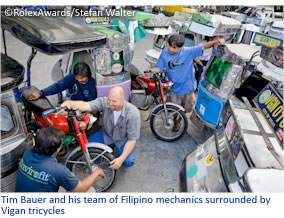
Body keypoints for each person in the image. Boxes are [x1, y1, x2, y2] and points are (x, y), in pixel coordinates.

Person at [147, 34, 224, 131]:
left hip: (188, 87)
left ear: (180, 47)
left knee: (187, 108)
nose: (171, 49)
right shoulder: (164, 53)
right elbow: (159, 67)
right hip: (175, 87)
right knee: (175, 108)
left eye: (174, 47)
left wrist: (216, 42)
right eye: (170, 46)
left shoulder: (188, 52)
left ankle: (179, 119)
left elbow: (204, 46)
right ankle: (176, 120)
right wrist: (151, 70)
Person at [61, 86, 140, 169]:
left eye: (114, 101)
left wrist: (121, 159)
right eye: (109, 99)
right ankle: (109, 146)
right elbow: (86, 105)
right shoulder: (104, 102)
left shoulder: (133, 113)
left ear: (122, 100)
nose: (110, 103)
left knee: (127, 162)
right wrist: (69, 103)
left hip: (123, 140)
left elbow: (132, 140)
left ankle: (116, 150)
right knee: (85, 150)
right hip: (106, 135)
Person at [16, 127, 105, 192]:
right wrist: (97, 172)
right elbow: (80, 188)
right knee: (90, 191)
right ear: (58, 149)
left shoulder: (28, 152)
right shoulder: (58, 170)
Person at [27, 62, 97, 102]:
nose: (80, 80)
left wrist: (86, 113)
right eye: (77, 78)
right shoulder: (71, 78)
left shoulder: (92, 84)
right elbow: (57, 86)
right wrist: (40, 93)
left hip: (86, 108)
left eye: (83, 78)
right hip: (73, 105)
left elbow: (91, 103)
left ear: (88, 75)